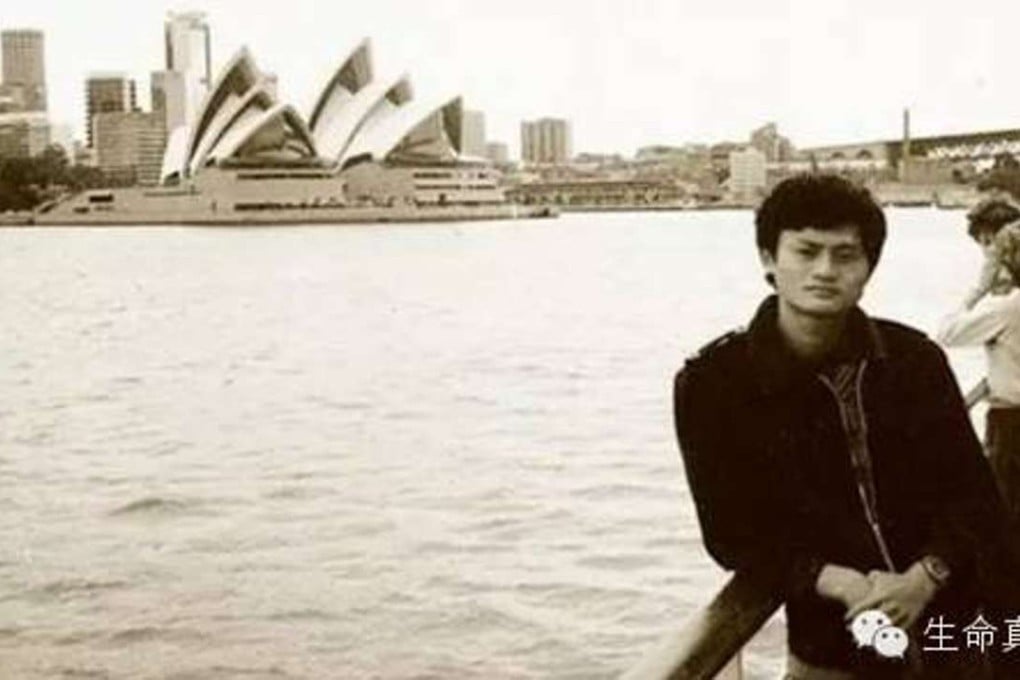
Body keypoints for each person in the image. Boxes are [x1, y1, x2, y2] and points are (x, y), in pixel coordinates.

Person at [673, 174, 1012, 678]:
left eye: (845, 254)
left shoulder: (913, 360)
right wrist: (839, 582)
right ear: (769, 259)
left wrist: (924, 578)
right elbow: (730, 533)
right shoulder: (714, 382)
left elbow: (975, 497)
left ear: (868, 267)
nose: (825, 271)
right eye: (806, 252)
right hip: (831, 642)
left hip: (951, 631)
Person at [936, 204, 1020, 537]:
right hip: (1008, 409)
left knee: (1003, 514)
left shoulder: (1008, 308)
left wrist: (978, 289)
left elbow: (947, 333)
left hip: (1011, 424)